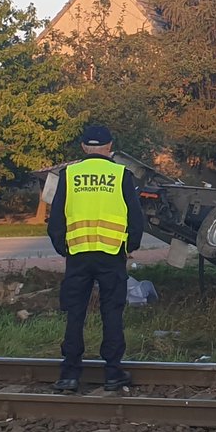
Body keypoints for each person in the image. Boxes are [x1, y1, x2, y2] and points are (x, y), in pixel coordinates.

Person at [48, 123, 144, 392]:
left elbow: (56, 217)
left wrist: (62, 246)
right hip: (112, 254)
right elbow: (136, 218)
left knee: (75, 313)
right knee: (111, 312)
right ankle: (113, 373)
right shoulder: (121, 174)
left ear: (82, 147)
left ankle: (69, 374)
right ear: (110, 147)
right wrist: (130, 245)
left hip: (77, 254)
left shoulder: (70, 174)